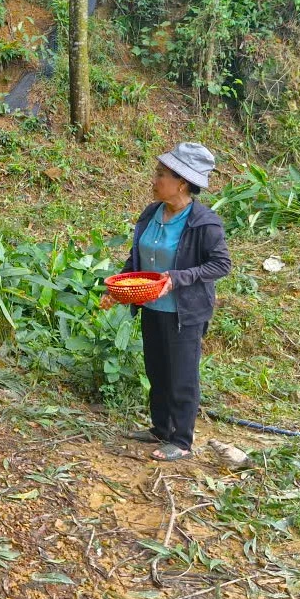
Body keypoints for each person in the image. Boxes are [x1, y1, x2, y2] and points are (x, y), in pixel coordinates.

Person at [99, 142, 231, 461]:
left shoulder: (203, 222)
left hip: (184, 313)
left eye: (161, 174)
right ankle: (160, 428)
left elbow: (221, 265)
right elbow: (138, 258)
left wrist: (176, 278)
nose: (154, 180)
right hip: (152, 307)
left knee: (182, 375)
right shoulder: (151, 213)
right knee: (156, 369)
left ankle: (182, 440)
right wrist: (117, 290)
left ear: (181, 183)